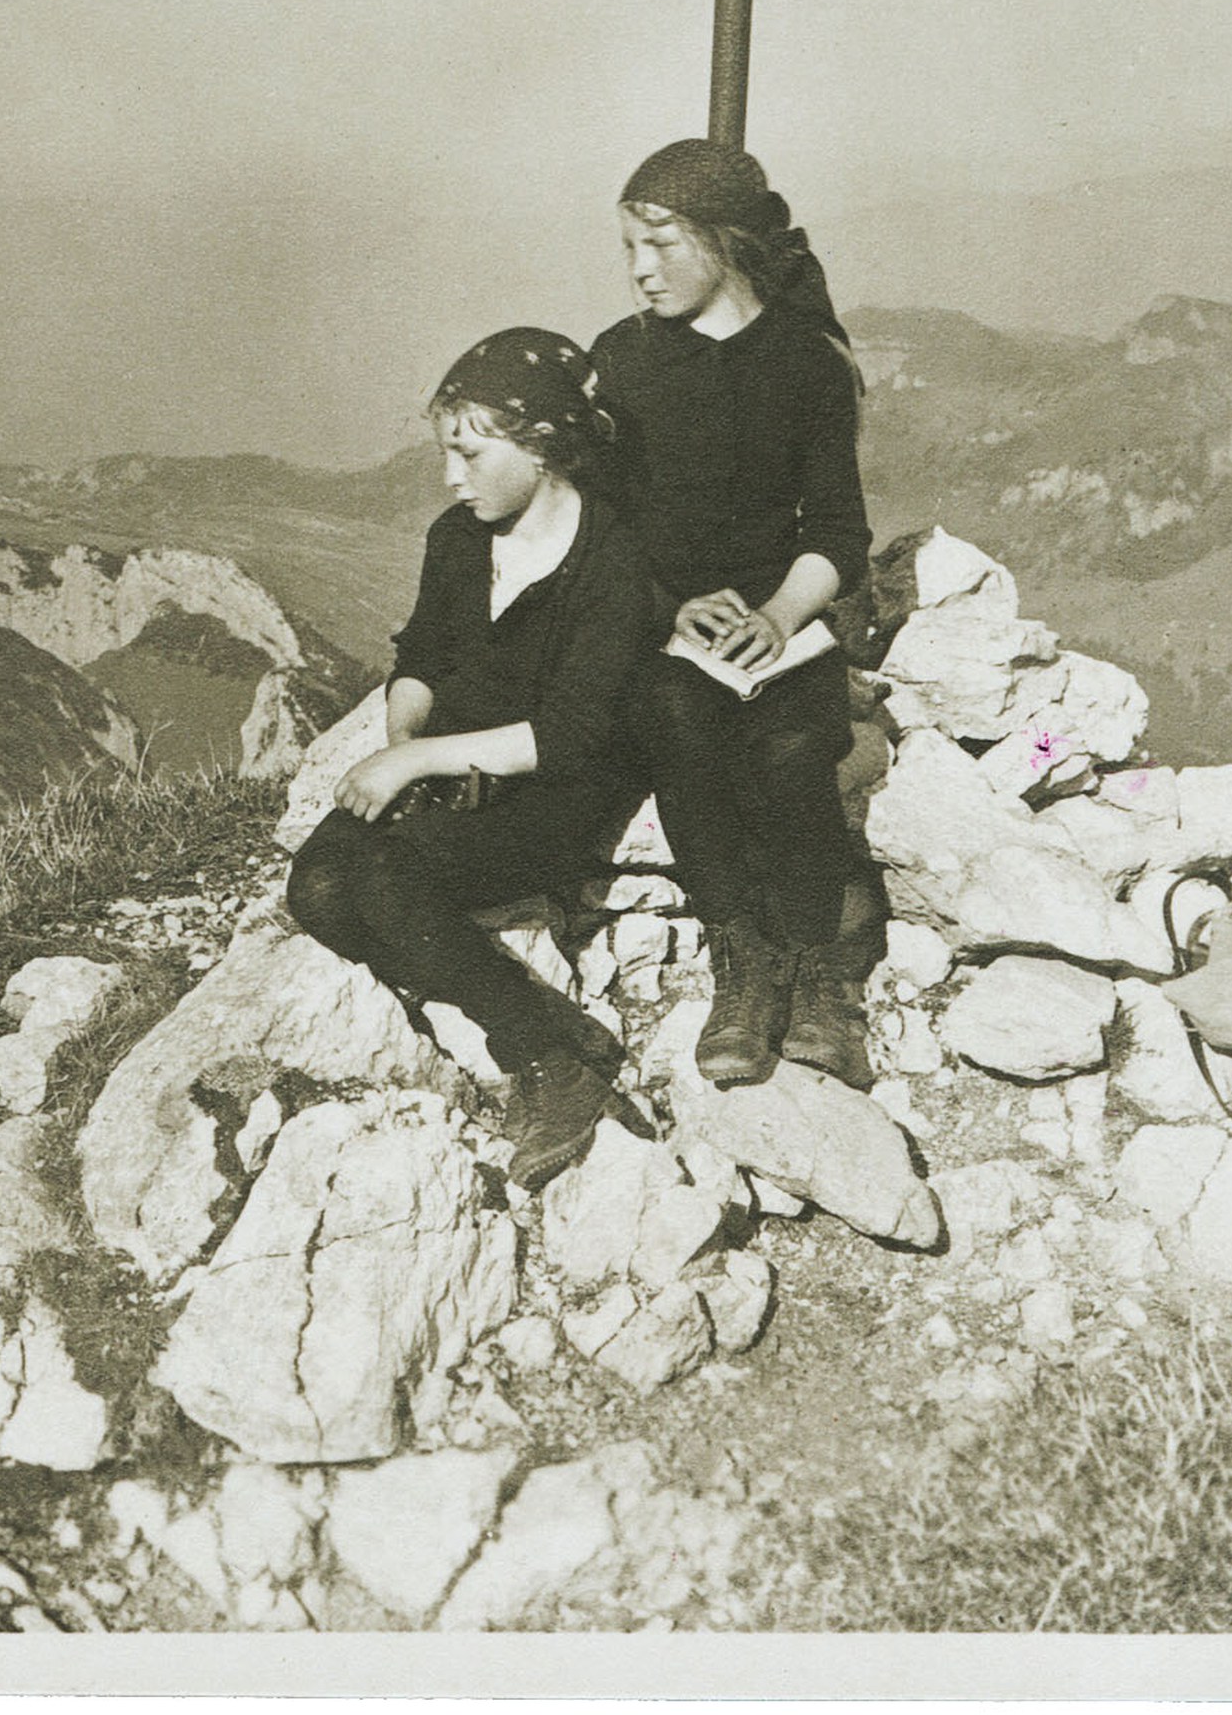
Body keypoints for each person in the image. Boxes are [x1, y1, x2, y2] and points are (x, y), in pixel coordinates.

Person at [285, 327, 668, 1186]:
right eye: (444, 453)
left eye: (469, 453)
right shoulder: (457, 540)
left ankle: (544, 1061)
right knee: (317, 890)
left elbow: (571, 735)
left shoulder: (613, 557)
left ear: (542, 445)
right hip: (449, 765)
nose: (450, 477)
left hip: (556, 790)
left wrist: (417, 766)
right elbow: (421, 655)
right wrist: (406, 744)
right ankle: (557, 1025)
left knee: (388, 883)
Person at [589, 137, 881, 1090]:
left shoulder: (806, 364)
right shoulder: (622, 361)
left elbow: (836, 530)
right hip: (664, 626)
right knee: (678, 722)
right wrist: (671, 610)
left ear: (724, 242)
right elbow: (603, 528)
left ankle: (820, 973)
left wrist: (783, 618)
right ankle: (743, 958)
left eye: (661, 244)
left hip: (780, 624)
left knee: (794, 751)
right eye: (630, 247)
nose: (640, 269)